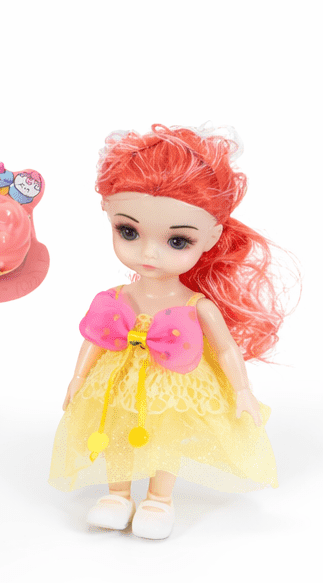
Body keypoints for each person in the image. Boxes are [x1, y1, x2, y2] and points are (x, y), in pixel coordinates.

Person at [49, 124, 290, 539]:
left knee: (167, 435)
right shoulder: (116, 297)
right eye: (128, 231)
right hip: (116, 378)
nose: (148, 253)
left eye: (177, 241)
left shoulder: (198, 306)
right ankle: (117, 494)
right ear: (107, 213)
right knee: (116, 428)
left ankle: (159, 499)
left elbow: (226, 350)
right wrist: (78, 377)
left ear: (211, 237)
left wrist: (242, 390)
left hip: (176, 381)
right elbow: (94, 339)